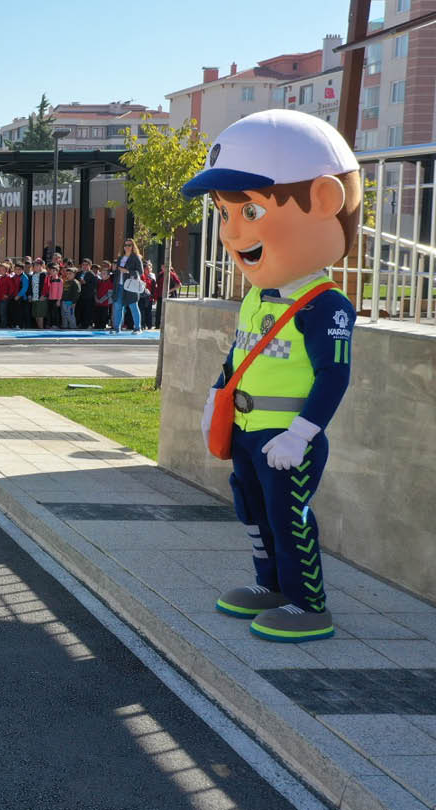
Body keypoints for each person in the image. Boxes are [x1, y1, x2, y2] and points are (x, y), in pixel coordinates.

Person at [183, 109, 361, 642]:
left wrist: (302, 434)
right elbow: (239, 356)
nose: (232, 233)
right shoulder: (259, 297)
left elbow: (334, 377)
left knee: (290, 519)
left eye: (252, 212)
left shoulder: (324, 305)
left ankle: (310, 604)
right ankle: (271, 586)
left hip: (287, 437)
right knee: (253, 512)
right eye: (224, 213)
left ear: (325, 202)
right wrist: (218, 397)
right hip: (246, 430)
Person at [115, 239, 143, 332]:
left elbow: (140, 272)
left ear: (133, 246)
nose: (127, 247)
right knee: (118, 307)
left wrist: (127, 271)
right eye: (126, 245)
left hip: (131, 286)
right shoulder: (120, 258)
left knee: (133, 306)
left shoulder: (136, 257)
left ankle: (137, 328)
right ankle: (117, 328)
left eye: (129, 245)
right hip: (119, 285)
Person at [154, 263, 182, 328]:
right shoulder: (160, 274)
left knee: (169, 312)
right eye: (163, 266)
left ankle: (169, 326)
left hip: (170, 296)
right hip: (160, 296)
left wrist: (169, 291)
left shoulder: (172, 275)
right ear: (162, 267)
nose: (164, 268)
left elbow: (179, 285)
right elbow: (157, 285)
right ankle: (157, 325)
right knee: (159, 312)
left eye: (166, 266)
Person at [77, 259, 97, 330]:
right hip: (80, 296)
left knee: (87, 311)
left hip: (88, 297)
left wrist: (86, 283)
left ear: (90, 266)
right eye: (83, 265)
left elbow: (94, 286)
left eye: (86, 265)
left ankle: (87, 324)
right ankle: (81, 324)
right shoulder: (78, 273)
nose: (84, 266)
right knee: (80, 311)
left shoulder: (92, 275)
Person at [31, 258, 48, 329]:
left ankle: (41, 329)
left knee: (40, 315)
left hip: (41, 297)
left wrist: (44, 295)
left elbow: (47, 286)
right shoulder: (33, 275)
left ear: (41, 266)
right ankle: (39, 328)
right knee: (36, 315)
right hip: (34, 297)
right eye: (34, 265)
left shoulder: (44, 274)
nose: (35, 267)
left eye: (37, 265)